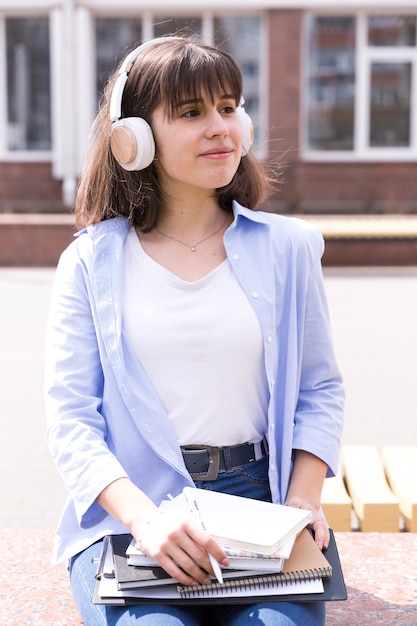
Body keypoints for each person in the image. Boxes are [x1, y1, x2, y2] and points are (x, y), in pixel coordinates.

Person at [45, 35, 344, 626]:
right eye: (191, 113)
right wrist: (146, 521)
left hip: (263, 508)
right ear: (134, 139)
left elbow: (320, 390)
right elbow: (71, 420)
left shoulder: (290, 248)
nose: (220, 127)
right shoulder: (88, 264)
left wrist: (301, 502)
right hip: (135, 513)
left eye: (229, 107)